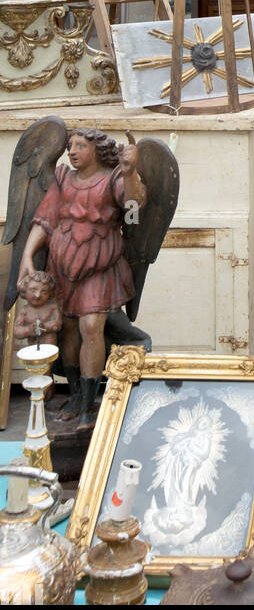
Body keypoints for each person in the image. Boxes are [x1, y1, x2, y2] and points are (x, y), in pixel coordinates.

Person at [16, 127, 146, 425]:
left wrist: (129, 172)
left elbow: (133, 208)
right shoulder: (62, 178)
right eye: (70, 146)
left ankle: (90, 402)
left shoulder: (112, 178)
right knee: (69, 330)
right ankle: (76, 395)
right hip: (63, 266)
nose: (72, 151)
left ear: (97, 150)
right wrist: (27, 254)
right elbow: (46, 219)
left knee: (91, 327)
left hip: (99, 265)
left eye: (80, 146)